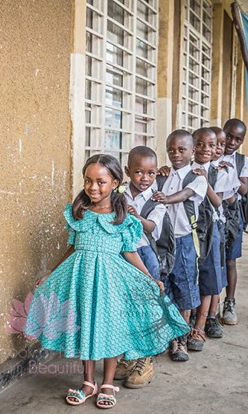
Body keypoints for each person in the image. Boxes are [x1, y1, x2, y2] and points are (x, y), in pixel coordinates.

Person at [24, 154, 189, 408]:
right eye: (88, 181)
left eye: (100, 182)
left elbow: (130, 252)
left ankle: (107, 383)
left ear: (114, 183)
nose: (93, 187)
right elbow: (72, 248)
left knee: (109, 329)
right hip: (82, 280)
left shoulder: (123, 218)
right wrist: (51, 272)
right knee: (85, 327)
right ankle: (88, 382)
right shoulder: (79, 213)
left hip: (111, 282)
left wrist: (148, 277)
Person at [152, 130, 207, 362]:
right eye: (171, 150)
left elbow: (185, 195)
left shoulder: (197, 178)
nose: (176, 154)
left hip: (184, 240)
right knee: (165, 287)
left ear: (192, 151)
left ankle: (181, 338)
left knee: (185, 286)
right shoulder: (162, 177)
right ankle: (169, 334)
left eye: (182, 149)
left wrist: (166, 198)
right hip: (162, 242)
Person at [115, 146, 167, 388]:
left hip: (144, 256)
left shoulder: (157, 200)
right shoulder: (118, 194)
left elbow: (150, 228)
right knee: (126, 307)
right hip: (119, 256)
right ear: (127, 171)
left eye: (150, 173)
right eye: (138, 172)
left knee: (146, 307)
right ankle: (130, 354)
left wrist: (135, 216)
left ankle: (145, 360)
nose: (145, 178)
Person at [216, 119, 248, 326]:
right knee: (211, 261)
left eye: (237, 139)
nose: (231, 142)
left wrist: (229, 170)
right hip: (211, 213)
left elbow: (244, 189)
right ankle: (210, 307)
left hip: (232, 216)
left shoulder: (242, 161)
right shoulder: (212, 153)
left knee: (230, 261)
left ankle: (229, 302)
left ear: (242, 141)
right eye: (228, 136)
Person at [206, 127, 240, 338]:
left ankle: (212, 315)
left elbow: (225, 199)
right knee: (203, 272)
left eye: (219, 144)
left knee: (218, 269)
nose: (217, 149)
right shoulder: (196, 167)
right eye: (212, 144)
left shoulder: (225, 170)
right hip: (199, 226)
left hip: (218, 224)